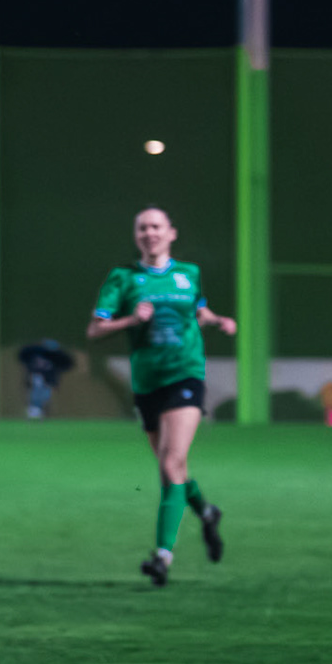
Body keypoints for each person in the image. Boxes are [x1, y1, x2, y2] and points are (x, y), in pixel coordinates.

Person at [87, 207, 236, 586]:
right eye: (142, 228)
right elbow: (95, 330)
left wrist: (218, 320)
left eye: (156, 226)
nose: (150, 233)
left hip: (185, 375)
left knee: (171, 466)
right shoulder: (123, 278)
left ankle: (162, 558)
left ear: (171, 233)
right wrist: (130, 320)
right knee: (176, 471)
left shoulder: (189, 274)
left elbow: (199, 311)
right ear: (137, 236)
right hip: (147, 385)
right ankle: (206, 513)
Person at [17, 338, 75, 419]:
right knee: (34, 396)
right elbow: (28, 364)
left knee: (46, 397)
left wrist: (53, 382)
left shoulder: (56, 358)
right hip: (36, 379)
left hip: (48, 381)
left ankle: (43, 414)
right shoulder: (35, 353)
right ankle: (33, 412)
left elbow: (64, 366)